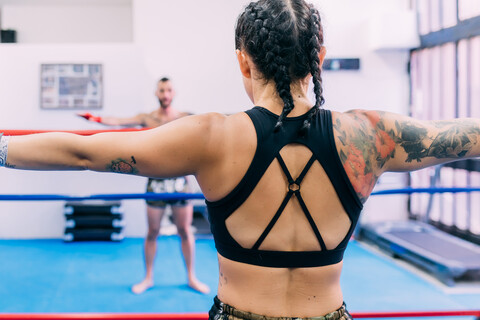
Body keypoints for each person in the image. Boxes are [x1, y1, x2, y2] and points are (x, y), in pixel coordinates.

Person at [1, 0, 480, 318]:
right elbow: (462, 134)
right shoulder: (371, 135)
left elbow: (82, 151)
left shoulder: (212, 137)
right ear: (320, 57)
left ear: (243, 61)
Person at [79, 77, 210, 294]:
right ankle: (148, 277)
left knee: (185, 231)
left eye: (168, 90)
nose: (165, 94)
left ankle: (191, 277)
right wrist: (95, 118)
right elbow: (119, 122)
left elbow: (212, 123)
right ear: (156, 93)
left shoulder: (185, 117)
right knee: (152, 231)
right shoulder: (147, 118)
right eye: (161, 90)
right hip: (156, 182)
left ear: (173, 92)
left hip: (179, 181)